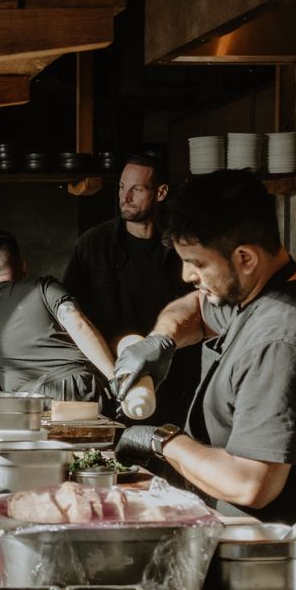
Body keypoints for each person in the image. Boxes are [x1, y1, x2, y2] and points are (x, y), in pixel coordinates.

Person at [109, 170, 296, 590]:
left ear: (244, 257)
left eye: (198, 263)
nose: (188, 275)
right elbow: (197, 309)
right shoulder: (260, 291)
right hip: (247, 557)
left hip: (285, 573)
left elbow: (250, 483)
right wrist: (161, 339)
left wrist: (163, 441)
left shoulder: (282, 338)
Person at [62, 152, 201, 425]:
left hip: (178, 387)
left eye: (136, 189)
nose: (125, 198)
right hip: (115, 386)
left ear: (160, 193)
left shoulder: (183, 246)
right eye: (122, 187)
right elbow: (70, 319)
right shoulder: (92, 246)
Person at [0, 230, 118, 403]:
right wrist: (115, 378)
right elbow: (78, 324)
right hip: (82, 388)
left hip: (30, 405)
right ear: (23, 267)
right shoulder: (45, 288)